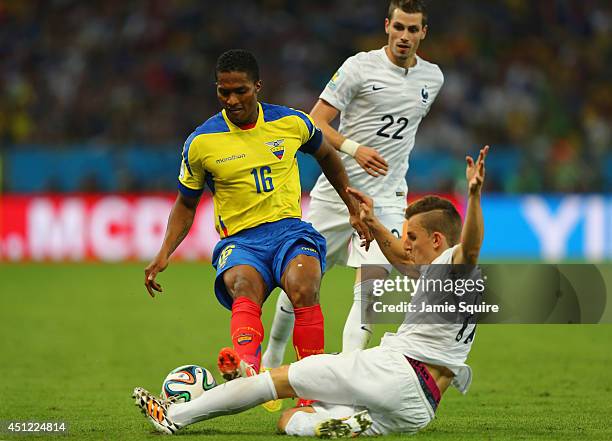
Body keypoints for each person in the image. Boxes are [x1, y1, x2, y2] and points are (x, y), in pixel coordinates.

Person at [133, 145, 490, 437]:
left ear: (438, 240)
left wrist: (473, 196)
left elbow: (470, 247)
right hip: (420, 407)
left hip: (394, 373)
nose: (406, 244)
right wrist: (373, 222)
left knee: (276, 382)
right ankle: (342, 423)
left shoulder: (453, 264)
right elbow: (399, 257)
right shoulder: (445, 279)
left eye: (412, 236)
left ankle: (175, 415)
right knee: (289, 421)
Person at [143, 49, 370, 384]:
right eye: (223, 91)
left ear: (257, 86)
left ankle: (311, 388)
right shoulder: (201, 142)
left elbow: (327, 154)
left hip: (290, 232)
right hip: (241, 241)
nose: (232, 99)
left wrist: (352, 206)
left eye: (240, 91)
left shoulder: (291, 123)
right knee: (243, 285)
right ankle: (245, 369)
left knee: (304, 285)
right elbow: (186, 203)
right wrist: (164, 252)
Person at [261, 0, 445, 383]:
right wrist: (353, 149)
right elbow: (315, 121)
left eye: (413, 30)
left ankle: (345, 378)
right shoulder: (358, 67)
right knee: (301, 279)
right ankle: (271, 358)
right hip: (336, 192)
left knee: (371, 292)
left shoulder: (433, 79)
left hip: (388, 200)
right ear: (387, 26)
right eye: (399, 28)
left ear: (423, 32)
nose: (405, 37)